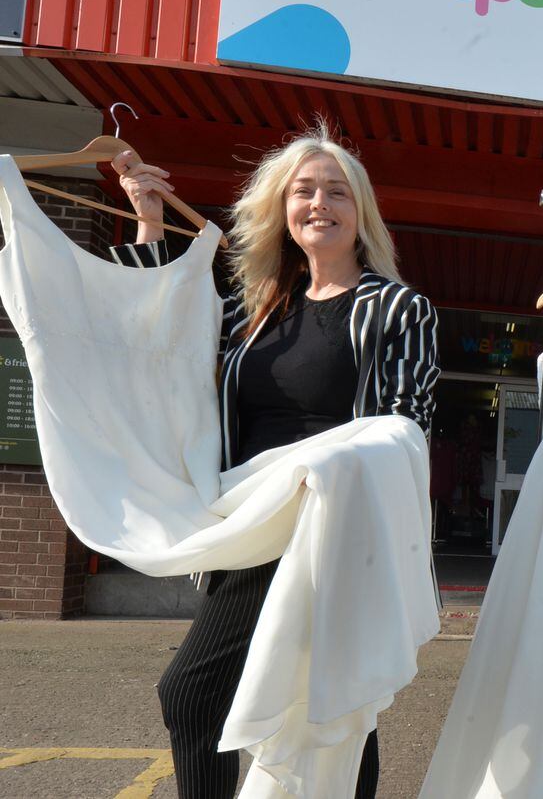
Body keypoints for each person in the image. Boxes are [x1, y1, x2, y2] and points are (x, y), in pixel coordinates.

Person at [110, 123, 440, 799]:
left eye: (336, 191)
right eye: (304, 190)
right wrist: (149, 226)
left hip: (328, 526)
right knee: (330, 706)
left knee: (204, 693)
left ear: (361, 213)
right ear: (282, 211)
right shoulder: (253, 308)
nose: (319, 203)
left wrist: (318, 472)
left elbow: (407, 429)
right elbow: (155, 332)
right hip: (246, 520)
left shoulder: (398, 308)